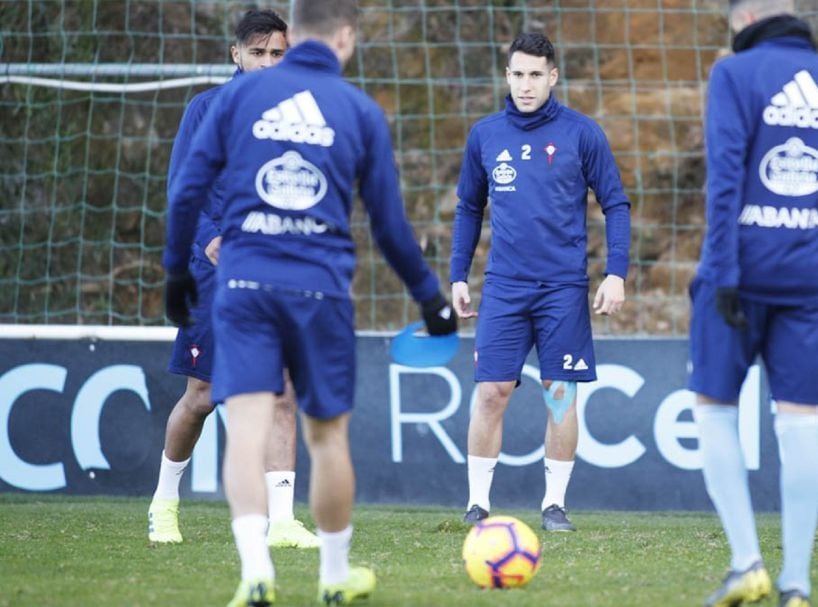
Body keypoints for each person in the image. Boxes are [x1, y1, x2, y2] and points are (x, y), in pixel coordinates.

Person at [162, 0, 457, 604]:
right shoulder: (358, 109)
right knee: (326, 438)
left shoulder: (238, 101)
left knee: (243, 428)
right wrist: (430, 299)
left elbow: (187, 188)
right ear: (344, 39)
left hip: (243, 286)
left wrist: (174, 273)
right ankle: (332, 577)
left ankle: (255, 573)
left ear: (294, 38)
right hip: (318, 289)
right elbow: (390, 228)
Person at [690, 1, 818, 606]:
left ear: (743, 16)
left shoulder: (733, 74)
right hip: (806, 280)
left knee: (713, 409)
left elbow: (724, 175)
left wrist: (721, 271)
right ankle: (797, 586)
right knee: (801, 423)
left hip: (738, 273)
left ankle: (747, 563)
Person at [149, 8, 320, 551]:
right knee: (200, 396)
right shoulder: (207, 110)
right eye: (258, 53)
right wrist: (209, 240)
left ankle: (284, 520)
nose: (268, 64)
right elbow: (184, 189)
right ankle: (164, 503)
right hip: (215, 275)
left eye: (278, 54)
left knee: (284, 393)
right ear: (236, 55)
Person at [450, 32, 632, 533]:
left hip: (563, 288)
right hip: (504, 286)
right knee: (491, 391)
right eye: (517, 74)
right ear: (506, 76)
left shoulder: (582, 133)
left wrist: (616, 272)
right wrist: (457, 276)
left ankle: (554, 506)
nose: (526, 84)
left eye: (536, 75)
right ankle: (478, 506)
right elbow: (469, 207)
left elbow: (615, 203)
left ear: (553, 76)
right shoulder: (485, 135)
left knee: (559, 394)